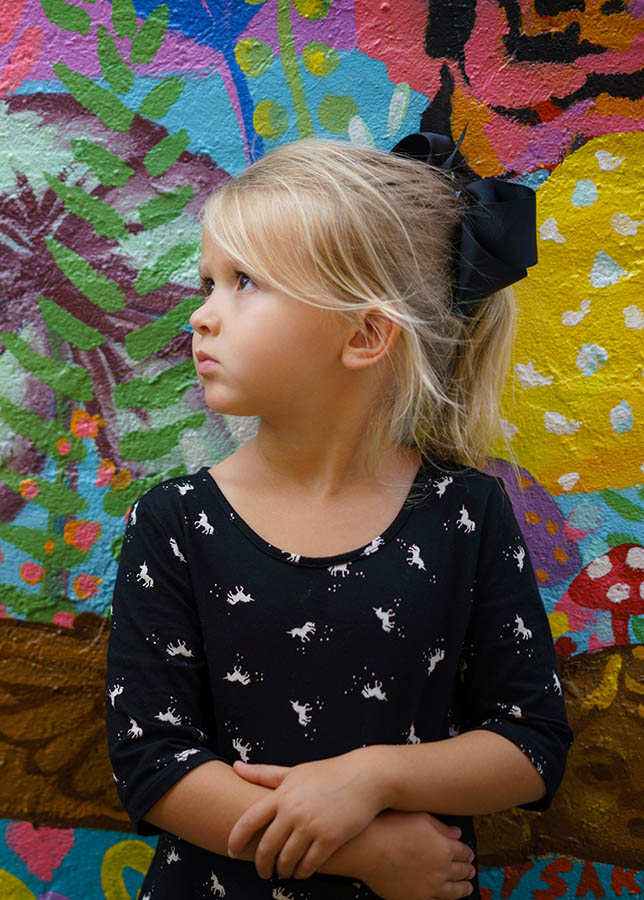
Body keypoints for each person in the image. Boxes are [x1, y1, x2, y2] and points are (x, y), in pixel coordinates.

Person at [105, 133, 572, 899]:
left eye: (244, 283)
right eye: (208, 283)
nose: (202, 316)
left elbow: (531, 744)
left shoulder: (465, 516)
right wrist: (358, 853)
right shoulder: (175, 524)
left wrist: (373, 777)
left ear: (364, 334)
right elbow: (154, 763)